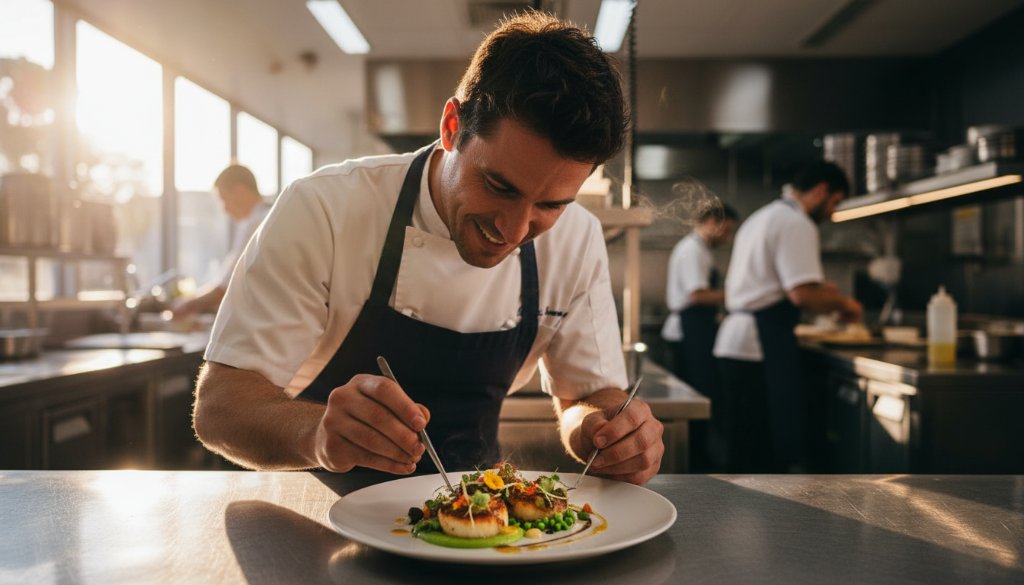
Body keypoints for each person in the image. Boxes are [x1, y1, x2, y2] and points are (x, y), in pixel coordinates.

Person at [192, 12, 664, 485]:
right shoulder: (325, 208)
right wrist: (317, 433)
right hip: (315, 511)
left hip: (482, 521)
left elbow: (588, 395)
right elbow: (221, 408)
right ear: (452, 126)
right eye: (499, 186)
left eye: (551, 204)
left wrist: (603, 431)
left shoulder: (578, 239)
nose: (516, 228)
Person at [713, 161, 862, 473]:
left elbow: (774, 280)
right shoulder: (796, 222)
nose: (832, 213)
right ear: (821, 190)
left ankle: (733, 516)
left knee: (742, 443)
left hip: (737, 341)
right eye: (834, 203)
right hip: (759, 344)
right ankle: (761, 520)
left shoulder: (763, 216)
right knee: (762, 448)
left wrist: (821, 289)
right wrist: (844, 304)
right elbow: (801, 294)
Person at [660, 201, 738, 470]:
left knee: (700, 395)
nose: (727, 238)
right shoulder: (693, 250)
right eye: (726, 230)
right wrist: (739, 295)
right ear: (713, 223)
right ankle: (695, 461)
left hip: (696, 329)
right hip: (689, 330)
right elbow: (697, 294)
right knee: (696, 396)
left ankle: (699, 456)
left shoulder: (700, 250)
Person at [171, 164, 270, 320]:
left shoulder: (256, 223)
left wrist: (187, 304)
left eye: (223, 198)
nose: (224, 209)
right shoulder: (267, 217)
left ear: (240, 191)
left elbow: (228, 285)